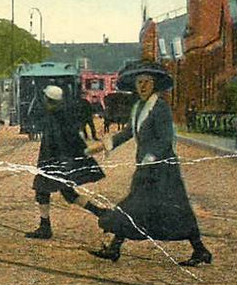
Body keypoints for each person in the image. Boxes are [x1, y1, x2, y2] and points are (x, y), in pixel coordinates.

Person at [86, 61, 212, 267]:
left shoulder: (160, 107)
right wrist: (101, 146)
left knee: (171, 208)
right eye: (139, 83)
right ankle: (199, 249)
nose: (142, 86)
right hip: (146, 168)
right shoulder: (138, 107)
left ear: (154, 85)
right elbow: (127, 133)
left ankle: (199, 249)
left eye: (146, 82)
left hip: (162, 169)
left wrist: (150, 158)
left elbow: (165, 138)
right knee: (143, 207)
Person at [26, 85, 107, 239]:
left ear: (48, 100)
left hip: (52, 163)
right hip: (62, 163)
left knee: (42, 190)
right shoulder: (63, 114)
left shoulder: (53, 117)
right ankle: (100, 212)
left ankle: (45, 227)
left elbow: (52, 141)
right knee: (68, 193)